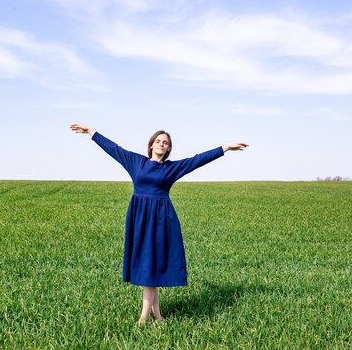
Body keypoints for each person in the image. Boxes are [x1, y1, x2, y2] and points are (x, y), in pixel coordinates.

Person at [69, 124, 248, 326]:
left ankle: (143, 318)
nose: (162, 144)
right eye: (159, 141)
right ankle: (159, 316)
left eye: (166, 143)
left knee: (151, 267)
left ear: (168, 148)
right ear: (151, 145)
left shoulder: (171, 168)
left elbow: (198, 160)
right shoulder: (136, 162)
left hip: (162, 220)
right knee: (148, 266)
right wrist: (92, 132)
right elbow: (113, 148)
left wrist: (225, 148)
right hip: (140, 218)